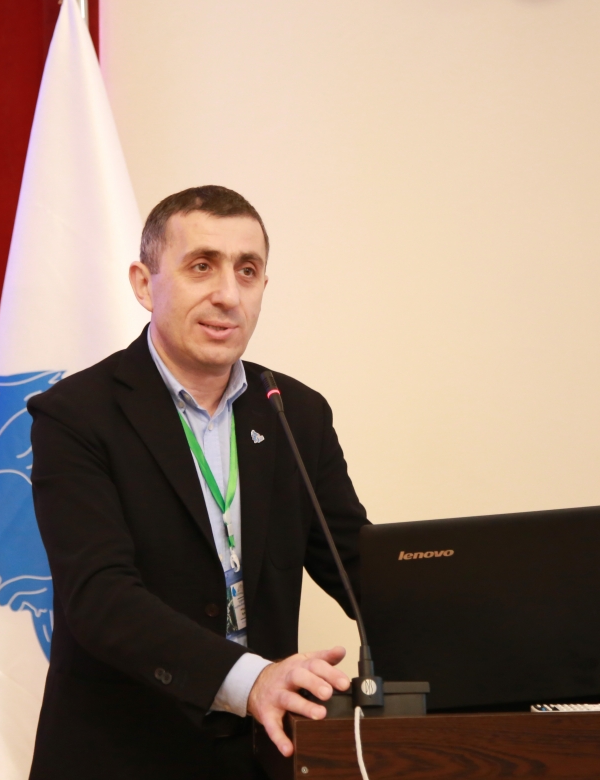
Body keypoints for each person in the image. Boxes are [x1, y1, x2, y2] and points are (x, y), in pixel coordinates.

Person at [28, 186, 371, 779]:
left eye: (247, 271)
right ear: (144, 284)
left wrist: (488, 628)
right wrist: (251, 680)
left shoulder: (294, 412)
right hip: (123, 756)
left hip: (260, 757)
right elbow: (100, 597)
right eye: (202, 266)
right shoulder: (75, 415)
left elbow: (357, 565)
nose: (228, 295)